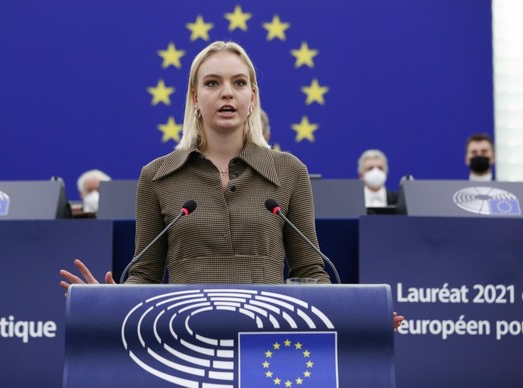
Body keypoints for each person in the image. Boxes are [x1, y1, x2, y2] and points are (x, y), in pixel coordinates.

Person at [60, 41, 404, 329]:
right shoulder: (156, 176)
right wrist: (111, 301)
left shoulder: (289, 171)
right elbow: (145, 276)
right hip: (184, 337)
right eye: (213, 83)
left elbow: (310, 273)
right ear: (195, 97)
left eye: (239, 83)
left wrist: (359, 317)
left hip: (270, 336)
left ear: (253, 95)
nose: (227, 93)